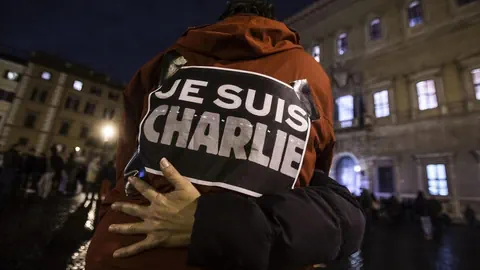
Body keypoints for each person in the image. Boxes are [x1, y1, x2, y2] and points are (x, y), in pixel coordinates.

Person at [86, 1, 365, 269]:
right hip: (240, 255)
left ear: (221, 21)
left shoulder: (164, 62)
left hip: (125, 249)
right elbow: (314, 173)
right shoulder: (309, 75)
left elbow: (126, 165)